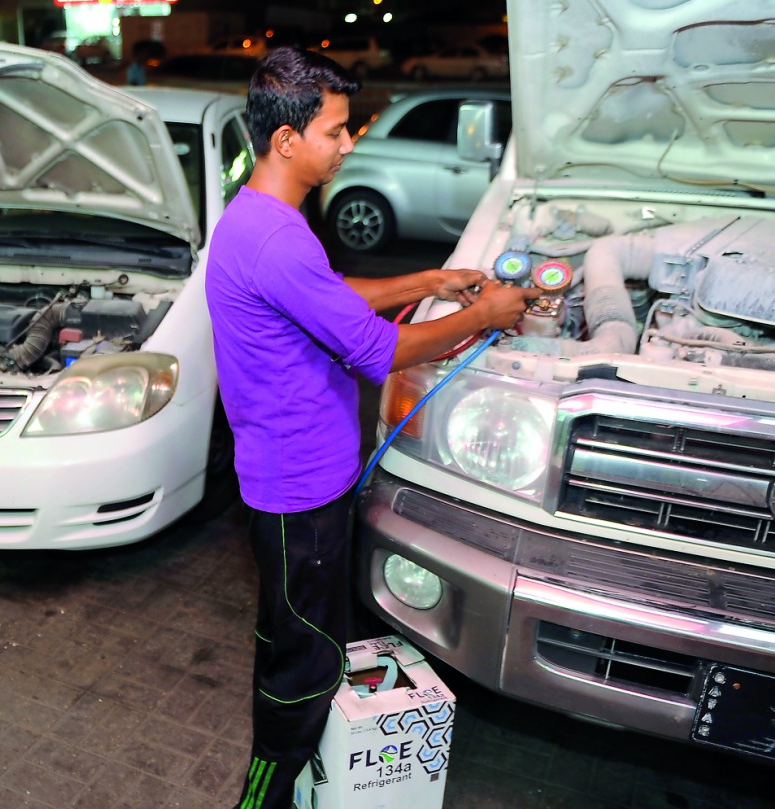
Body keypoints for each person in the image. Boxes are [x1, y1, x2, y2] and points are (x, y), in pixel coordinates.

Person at [205, 47, 537, 809]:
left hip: (295, 482)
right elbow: (374, 349)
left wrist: (429, 280)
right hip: (299, 495)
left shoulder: (261, 218)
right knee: (302, 668)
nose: (348, 144)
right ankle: (259, 799)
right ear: (287, 140)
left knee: (301, 640)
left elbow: (332, 294)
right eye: (336, 130)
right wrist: (481, 315)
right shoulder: (275, 237)